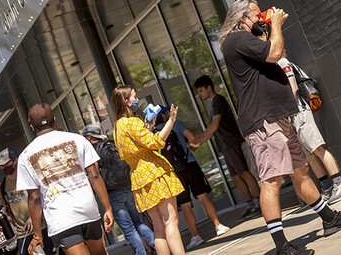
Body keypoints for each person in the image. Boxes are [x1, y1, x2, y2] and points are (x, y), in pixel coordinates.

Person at [219, 0, 341, 255]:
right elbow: (275, 53)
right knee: (272, 180)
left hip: (278, 117)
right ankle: (282, 246)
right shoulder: (236, 39)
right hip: (263, 121)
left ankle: (330, 219)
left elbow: (269, 54)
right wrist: (275, 25)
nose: (261, 18)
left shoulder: (245, 40)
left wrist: (268, 29)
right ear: (242, 18)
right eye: (256, 15)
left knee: (301, 172)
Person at [15, 104, 114, 255]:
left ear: (32, 127)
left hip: (61, 218)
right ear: (54, 120)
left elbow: (34, 198)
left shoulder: (25, 156)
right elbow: (94, 175)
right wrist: (107, 208)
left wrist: (37, 235)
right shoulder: (77, 139)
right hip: (88, 209)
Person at [111, 86, 186, 255]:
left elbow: (137, 145)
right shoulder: (132, 122)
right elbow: (156, 143)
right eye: (134, 96)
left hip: (139, 177)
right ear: (126, 102)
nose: (137, 99)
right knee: (170, 221)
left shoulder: (118, 126)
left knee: (158, 227)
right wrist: (171, 121)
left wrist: (148, 128)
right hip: (154, 172)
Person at [275, 47, 341, 204]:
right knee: (309, 156)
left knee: (318, 148)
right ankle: (327, 188)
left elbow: (293, 89)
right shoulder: (276, 66)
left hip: (299, 112)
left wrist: (287, 113)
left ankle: (340, 185)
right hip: (293, 117)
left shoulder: (282, 62)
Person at [147, 106, 229, 245]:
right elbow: (192, 138)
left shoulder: (154, 134)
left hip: (173, 172)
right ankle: (218, 226)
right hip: (190, 164)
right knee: (202, 196)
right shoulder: (176, 124)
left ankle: (195, 237)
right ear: (165, 115)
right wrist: (191, 147)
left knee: (185, 205)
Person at [188, 76, 261, 221]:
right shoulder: (213, 104)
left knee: (244, 173)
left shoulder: (218, 101)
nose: (199, 94)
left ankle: (260, 202)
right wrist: (198, 143)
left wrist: (197, 139)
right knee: (235, 177)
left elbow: (214, 126)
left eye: (201, 90)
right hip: (225, 145)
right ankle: (250, 205)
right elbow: (213, 131)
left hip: (231, 142)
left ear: (209, 88)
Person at [80, 125, 155, 255]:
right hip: (128, 187)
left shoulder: (92, 150)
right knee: (139, 223)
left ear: (89, 137)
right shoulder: (111, 145)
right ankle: (162, 248)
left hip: (113, 193)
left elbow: (95, 173)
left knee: (129, 229)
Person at [0, 149, 38, 255]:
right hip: (22, 234)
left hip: (41, 227)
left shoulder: (30, 176)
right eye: (1, 166)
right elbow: (8, 211)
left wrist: (34, 217)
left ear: (15, 160)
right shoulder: (2, 187)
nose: (3, 168)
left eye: (6, 164)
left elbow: (44, 199)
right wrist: (6, 220)